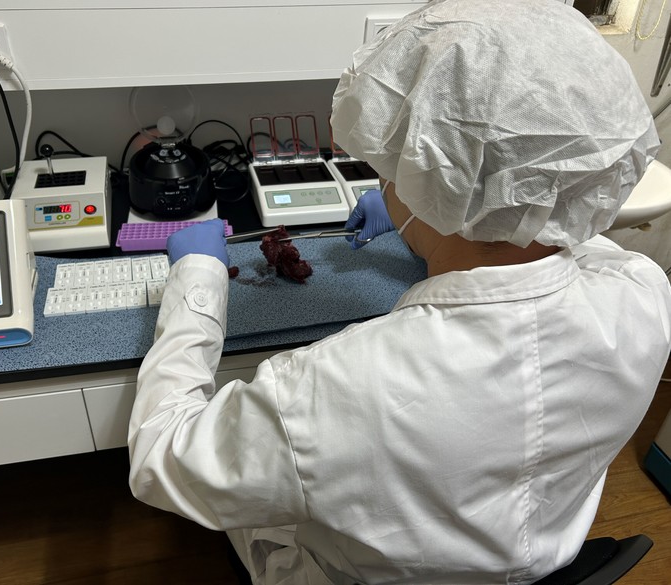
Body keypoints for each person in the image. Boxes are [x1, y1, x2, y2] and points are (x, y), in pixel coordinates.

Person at [127, 0, 671, 583]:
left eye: (392, 169)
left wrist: (198, 279)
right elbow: (537, 223)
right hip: (545, 555)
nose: (387, 179)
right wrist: (430, 216)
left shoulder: (336, 389)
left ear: (429, 184)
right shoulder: (643, 295)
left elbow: (161, 457)